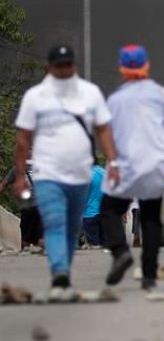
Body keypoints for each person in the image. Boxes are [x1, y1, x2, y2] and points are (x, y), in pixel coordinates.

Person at [13, 45, 119, 288]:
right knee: (54, 220)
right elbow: (22, 139)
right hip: (47, 173)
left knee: (72, 225)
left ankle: (64, 268)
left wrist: (113, 162)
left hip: (80, 174)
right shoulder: (35, 97)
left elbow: (103, 130)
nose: (63, 70)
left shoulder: (90, 94)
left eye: (68, 65)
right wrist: (20, 176)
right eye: (59, 66)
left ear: (74, 66)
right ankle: (59, 271)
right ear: (48, 67)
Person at [100, 45, 164, 292]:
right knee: (151, 219)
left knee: (109, 210)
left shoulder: (115, 100)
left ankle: (120, 252)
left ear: (122, 69)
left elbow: (110, 137)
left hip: (127, 165)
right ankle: (149, 276)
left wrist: (112, 162)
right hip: (158, 165)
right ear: (147, 66)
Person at [0, 161, 43, 249]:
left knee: (33, 237)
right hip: (34, 207)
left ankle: (32, 251)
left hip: (34, 207)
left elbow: (3, 185)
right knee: (34, 236)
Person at [82, 164, 106, 248]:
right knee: (104, 244)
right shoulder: (103, 172)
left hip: (90, 213)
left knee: (94, 245)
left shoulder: (86, 174)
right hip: (104, 212)